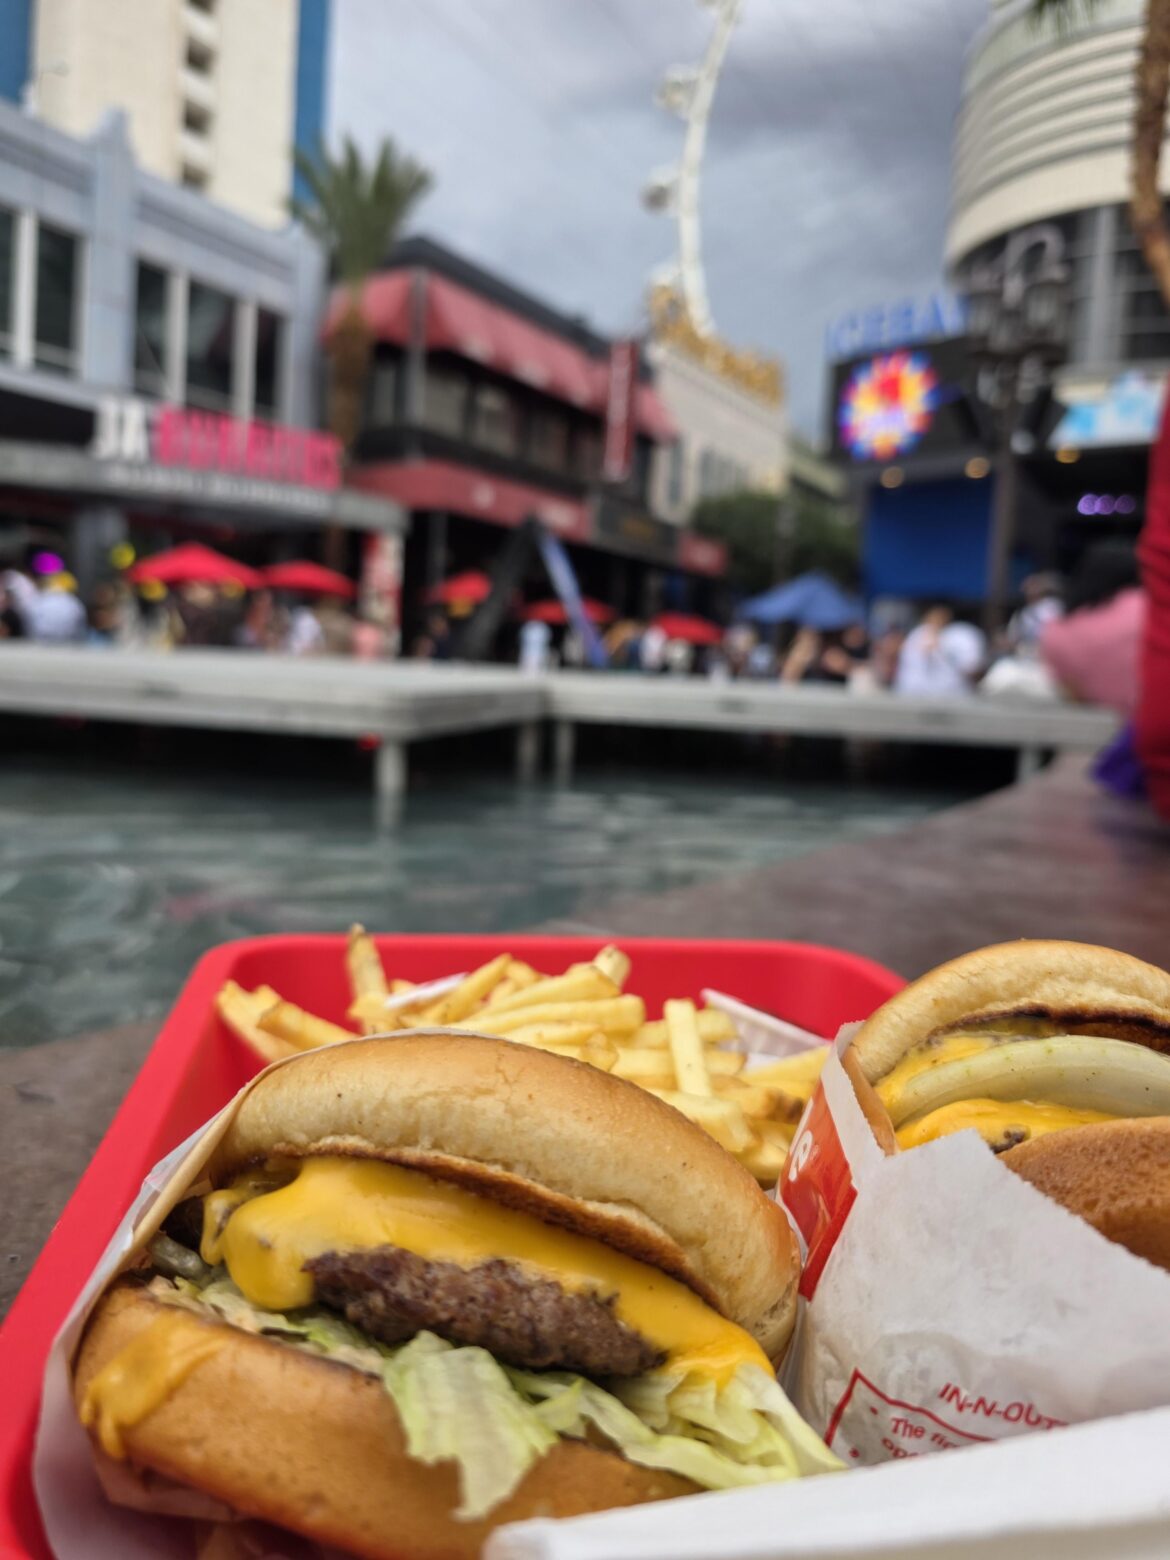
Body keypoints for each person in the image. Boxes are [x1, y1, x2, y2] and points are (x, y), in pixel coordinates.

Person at [1040, 543, 1143, 716]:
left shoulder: (1058, 629)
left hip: (1096, 724)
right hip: (1151, 720)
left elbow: (1071, 692)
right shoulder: (1148, 609)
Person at [894, 605, 986, 697]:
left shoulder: (961, 636)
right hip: (915, 694)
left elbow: (973, 669)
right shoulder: (917, 634)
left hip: (954, 695)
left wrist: (943, 650)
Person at [26, 572, 86, 642]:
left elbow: (29, 625)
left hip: (40, 643)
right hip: (67, 644)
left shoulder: (38, 600)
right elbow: (80, 629)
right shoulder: (74, 603)